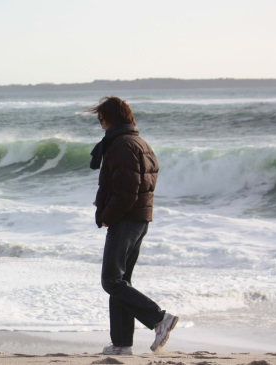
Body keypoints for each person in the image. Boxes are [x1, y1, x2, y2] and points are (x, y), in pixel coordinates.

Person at [89, 96, 178, 355]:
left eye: (101, 119)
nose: (100, 125)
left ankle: (159, 318)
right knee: (122, 282)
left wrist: (108, 215)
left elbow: (128, 190)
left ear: (110, 119)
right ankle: (121, 343)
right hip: (139, 218)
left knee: (111, 281)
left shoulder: (122, 145)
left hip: (126, 219)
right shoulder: (138, 142)